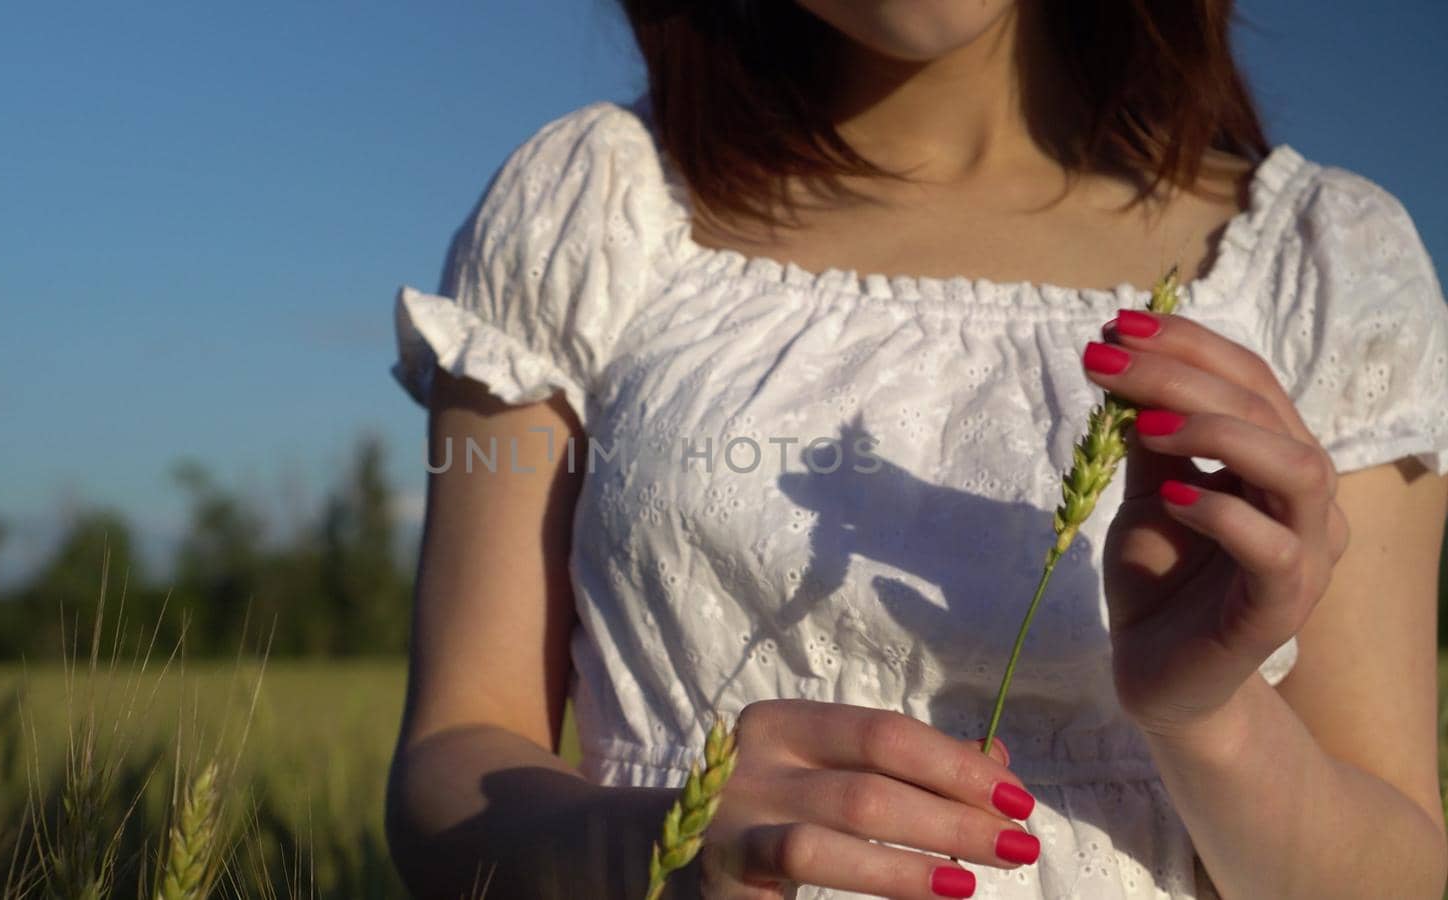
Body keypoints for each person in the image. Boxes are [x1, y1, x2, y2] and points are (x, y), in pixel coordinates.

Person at [383, 1, 1448, 897]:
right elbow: (453, 757)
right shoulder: (590, 208)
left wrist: (1207, 716)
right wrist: (654, 845)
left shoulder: (1321, 261)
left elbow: (1400, 872)